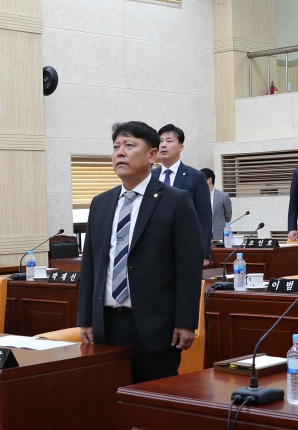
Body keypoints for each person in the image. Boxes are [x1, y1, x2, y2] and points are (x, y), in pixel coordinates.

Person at [79, 121, 202, 383]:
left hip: (156, 326)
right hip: (106, 326)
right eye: (116, 147)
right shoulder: (100, 203)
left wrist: (186, 321)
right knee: (109, 400)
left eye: (129, 145)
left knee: (154, 404)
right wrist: (86, 319)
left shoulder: (175, 201)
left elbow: (188, 267)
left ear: (152, 155)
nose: (120, 153)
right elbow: (90, 265)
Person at [153, 124, 212, 266]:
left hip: (185, 249)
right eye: (160, 141)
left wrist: (204, 254)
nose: (163, 145)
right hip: (154, 249)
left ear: (181, 147)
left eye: (169, 141)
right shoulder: (150, 177)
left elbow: (204, 218)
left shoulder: (196, 177)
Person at [201, 168, 233, 242]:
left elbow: (228, 216)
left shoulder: (223, 196)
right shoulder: (197, 197)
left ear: (209, 180)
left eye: (201, 179)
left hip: (219, 236)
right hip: (202, 236)